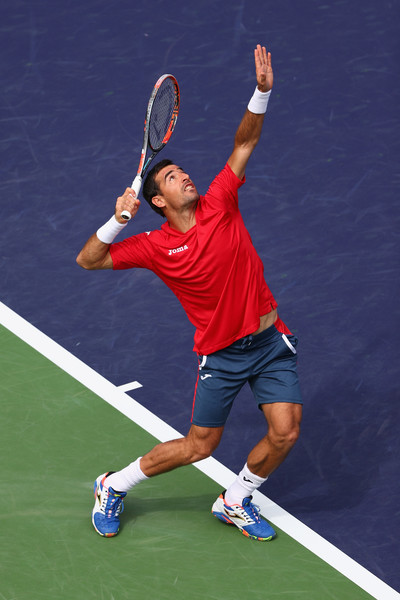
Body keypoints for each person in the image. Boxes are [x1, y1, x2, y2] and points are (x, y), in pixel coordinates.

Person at [76, 45, 302, 542]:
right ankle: (113, 484)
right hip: (221, 355)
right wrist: (116, 222)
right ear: (159, 200)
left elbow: (244, 143)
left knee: (285, 431)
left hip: (268, 342)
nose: (187, 177)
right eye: (174, 177)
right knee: (200, 446)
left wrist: (261, 94)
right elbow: (88, 260)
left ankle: (236, 499)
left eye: (183, 173)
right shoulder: (154, 246)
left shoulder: (221, 199)